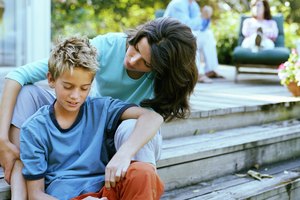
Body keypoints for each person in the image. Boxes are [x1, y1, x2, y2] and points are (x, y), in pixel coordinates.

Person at [0, 17, 197, 198]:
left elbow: (152, 119)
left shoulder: (156, 84)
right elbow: (19, 75)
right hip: (84, 127)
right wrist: (2, 140)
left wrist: (124, 154)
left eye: (145, 62)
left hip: (117, 133)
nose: (131, 60)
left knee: (137, 147)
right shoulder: (107, 46)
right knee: (26, 93)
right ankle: (19, 164)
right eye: (135, 48)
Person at [19, 36, 164, 200]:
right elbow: (35, 195)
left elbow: (153, 117)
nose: (75, 96)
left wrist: (123, 154)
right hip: (67, 197)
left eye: (84, 88)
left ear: (91, 83)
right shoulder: (34, 129)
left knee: (143, 173)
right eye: (68, 87)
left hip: (107, 191)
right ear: (51, 79)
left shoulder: (101, 108)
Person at [163, 0, 223, 82]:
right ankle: (197, 73)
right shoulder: (177, 3)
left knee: (208, 34)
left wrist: (206, 18)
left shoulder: (194, 5)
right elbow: (186, 25)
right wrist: (203, 17)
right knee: (193, 35)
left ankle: (210, 70)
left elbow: (201, 27)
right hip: (170, 36)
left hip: (184, 34)